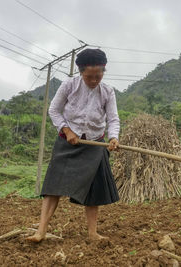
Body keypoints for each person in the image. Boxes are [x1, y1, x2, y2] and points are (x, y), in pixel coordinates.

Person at [26, 48, 120, 242]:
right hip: (67, 141)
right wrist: (67, 131)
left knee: (94, 190)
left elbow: (113, 119)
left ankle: (93, 233)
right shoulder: (69, 85)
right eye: (89, 77)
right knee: (53, 186)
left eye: (98, 76)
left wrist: (113, 138)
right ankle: (41, 231)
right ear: (80, 72)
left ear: (104, 71)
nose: (94, 81)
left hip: (95, 143)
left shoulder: (108, 91)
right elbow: (54, 110)